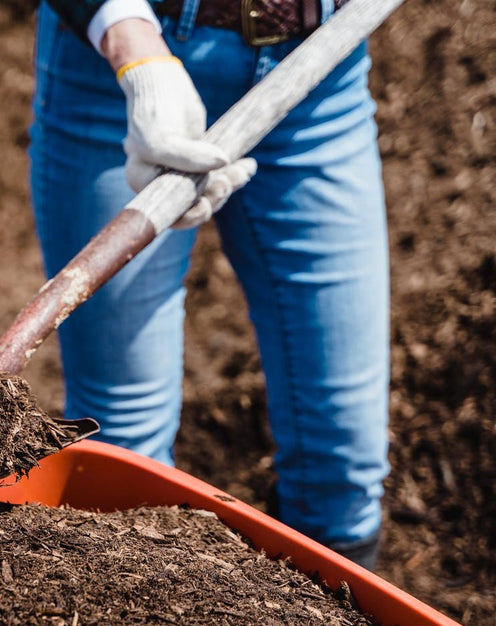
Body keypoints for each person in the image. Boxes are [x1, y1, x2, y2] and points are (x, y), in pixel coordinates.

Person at [30, 0, 389, 568]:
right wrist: (135, 52)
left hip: (322, 66)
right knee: (124, 449)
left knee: (343, 462)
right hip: (126, 70)